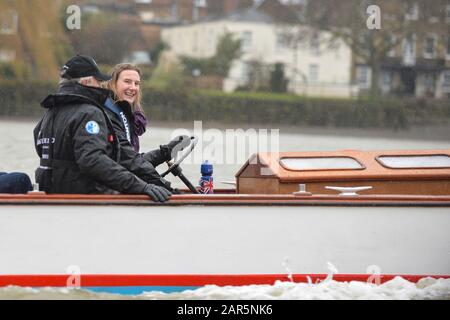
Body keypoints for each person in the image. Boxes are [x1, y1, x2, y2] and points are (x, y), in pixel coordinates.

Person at [33, 55, 171, 202]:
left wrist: (161, 155)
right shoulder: (89, 112)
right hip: (83, 198)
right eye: (98, 81)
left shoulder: (51, 111)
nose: (101, 85)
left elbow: (40, 142)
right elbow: (92, 160)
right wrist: (143, 187)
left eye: (137, 83)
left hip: (51, 191)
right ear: (87, 81)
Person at [104, 63, 190, 190]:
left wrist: (166, 151)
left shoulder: (124, 114)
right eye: (127, 82)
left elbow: (131, 159)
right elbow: (129, 162)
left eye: (136, 83)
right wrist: (163, 185)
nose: (133, 87)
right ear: (113, 84)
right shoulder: (109, 115)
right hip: (110, 188)